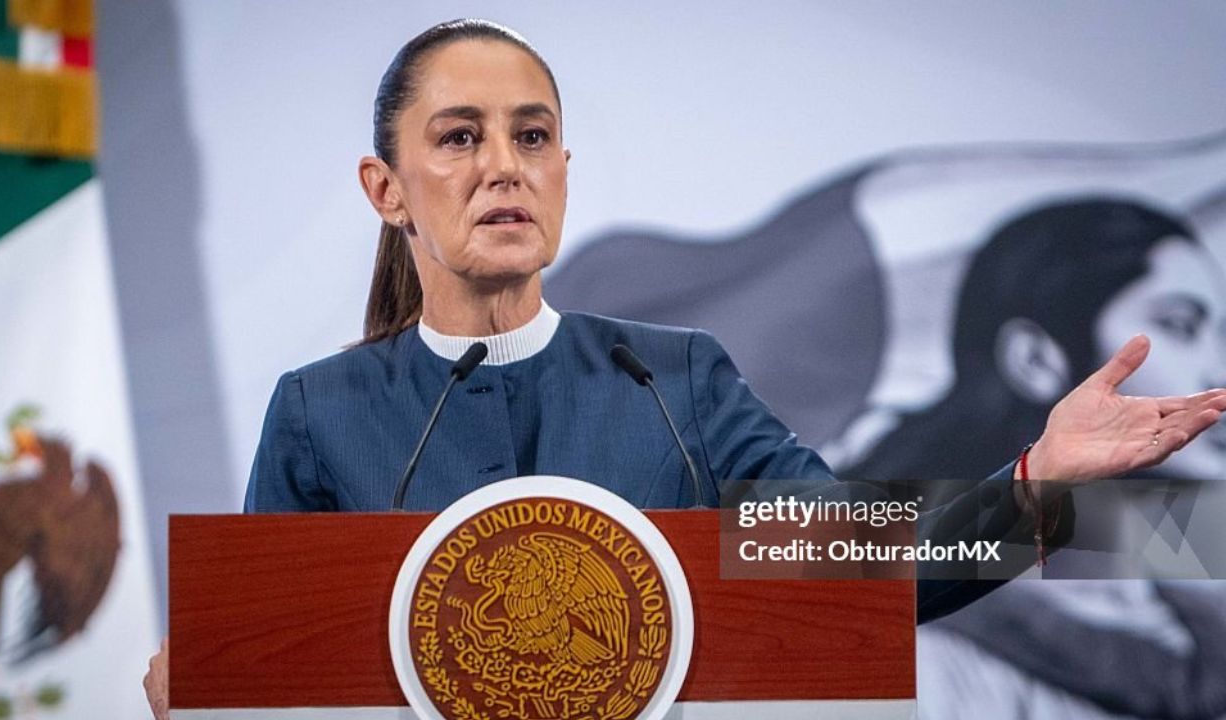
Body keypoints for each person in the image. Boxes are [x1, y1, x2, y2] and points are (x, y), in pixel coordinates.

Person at [143, 20, 1226, 720]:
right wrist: (207, 678)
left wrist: (1040, 484)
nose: (501, 169)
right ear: (386, 189)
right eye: (458, 138)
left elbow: (869, 562)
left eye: (530, 137)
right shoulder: (320, 411)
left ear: (562, 174)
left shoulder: (678, 383)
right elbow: (277, 674)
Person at [843, 198, 1226, 719]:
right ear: (1035, 359)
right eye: (1181, 325)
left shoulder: (1175, 610)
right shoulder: (916, 640)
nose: (1218, 369)